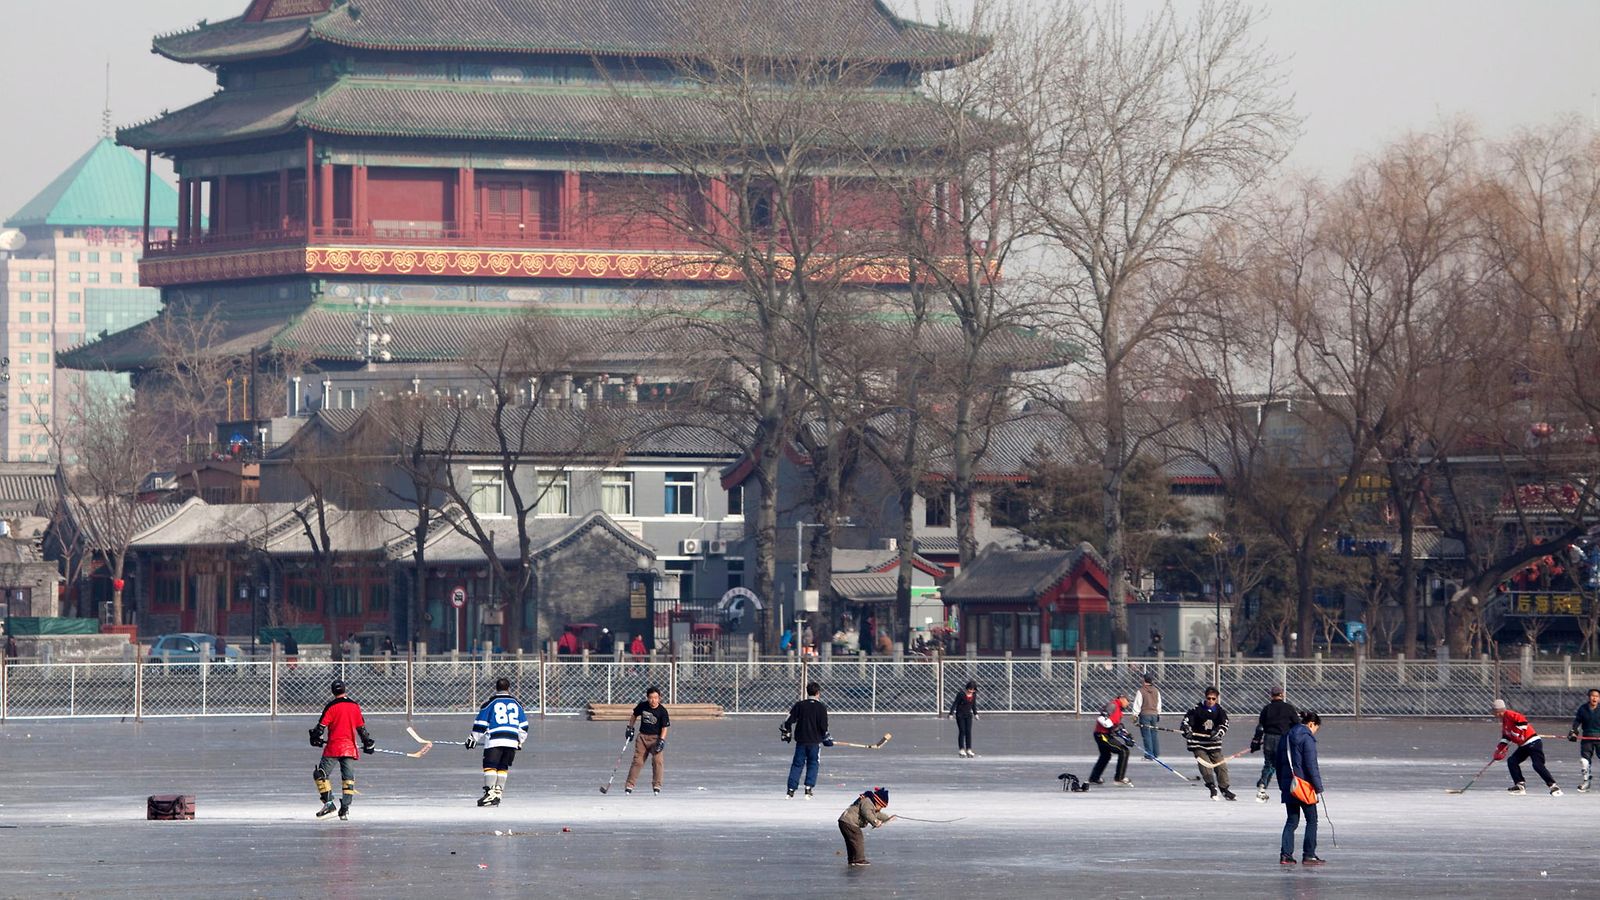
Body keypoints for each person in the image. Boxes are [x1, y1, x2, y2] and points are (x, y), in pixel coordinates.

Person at [308, 679, 374, 821]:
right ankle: (345, 808)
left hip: (334, 747)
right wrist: (368, 743)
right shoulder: (354, 706)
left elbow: (320, 728)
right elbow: (361, 729)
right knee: (348, 779)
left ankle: (329, 803)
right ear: (345, 689)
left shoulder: (331, 707)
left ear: (332, 691)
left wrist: (315, 738)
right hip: (350, 748)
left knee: (321, 774)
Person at [467, 677, 529, 807]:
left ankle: (490, 793)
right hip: (511, 740)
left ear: (496, 688)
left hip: (494, 740)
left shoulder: (489, 704)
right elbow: (524, 725)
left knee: (490, 765)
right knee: (502, 766)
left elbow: (481, 723)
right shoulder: (517, 704)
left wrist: (472, 739)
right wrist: (519, 740)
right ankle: (498, 792)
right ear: (508, 688)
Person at [1275, 710, 1325, 866]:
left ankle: (1285, 855)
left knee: (1291, 821)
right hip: (1303, 785)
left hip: (1289, 785)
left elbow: (1278, 763)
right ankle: (1309, 854)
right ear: (1311, 724)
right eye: (1316, 728)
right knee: (1312, 820)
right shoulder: (1307, 738)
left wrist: (1283, 785)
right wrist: (1318, 787)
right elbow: (1311, 765)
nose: (1315, 731)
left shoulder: (1286, 737)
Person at [1494, 698, 1561, 795]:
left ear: (1499, 711)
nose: (1494, 714)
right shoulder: (1504, 721)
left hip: (1533, 742)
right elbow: (1506, 736)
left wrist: (1518, 733)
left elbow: (1523, 722)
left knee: (1537, 765)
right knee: (1512, 761)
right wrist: (1500, 748)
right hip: (1524, 745)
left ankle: (1554, 786)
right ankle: (1520, 785)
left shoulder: (1509, 714)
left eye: (1494, 711)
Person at [1183, 686, 1236, 800]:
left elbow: (1224, 725)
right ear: (1205, 697)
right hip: (1198, 743)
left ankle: (1224, 788)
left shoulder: (1220, 711)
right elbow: (1186, 722)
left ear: (1216, 699)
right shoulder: (1197, 709)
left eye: (1213, 698)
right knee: (1205, 765)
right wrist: (1187, 730)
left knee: (1221, 766)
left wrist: (1218, 733)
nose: (1211, 701)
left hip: (1213, 744)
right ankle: (1212, 786)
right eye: (1209, 698)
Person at [781, 681, 832, 798]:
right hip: (814, 742)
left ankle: (791, 789)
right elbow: (824, 727)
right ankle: (808, 788)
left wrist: (787, 732)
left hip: (801, 741)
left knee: (797, 764)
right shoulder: (821, 707)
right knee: (813, 764)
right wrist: (827, 738)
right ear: (818, 693)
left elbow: (788, 721)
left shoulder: (800, 705)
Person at [1251, 684, 1299, 802]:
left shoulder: (1267, 709)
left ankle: (1262, 785)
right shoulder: (1289, 708)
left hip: (1268, 739)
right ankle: (1288, 789)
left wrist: (1256, 741)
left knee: (1269, 764)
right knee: (1284, 765)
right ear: (1282, 695)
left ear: (1271, 696)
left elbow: (1260, 727)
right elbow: (1296, 724)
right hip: (1282, 739)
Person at [623, 686, 672, 794]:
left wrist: (662, 740)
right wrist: (630, 728)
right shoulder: (643, 706)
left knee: (657, 761)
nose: (653, 700)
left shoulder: (662, 711)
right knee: (638, 761)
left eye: (655, 698)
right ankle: (629, 785)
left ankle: (657, 785)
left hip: (656, 739)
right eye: (650, 698)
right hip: (642, 738)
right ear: (647, 698)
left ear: (659, 698)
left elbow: (665, 728)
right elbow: (634, 715)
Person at [838, 787, 894, 867]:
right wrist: (875, 822)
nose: (881, 808)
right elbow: (867, 814)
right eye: (881, 806)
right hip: (850, 822)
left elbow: (876, 814)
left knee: (851, 842)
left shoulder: (870, 803)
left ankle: (852, 859)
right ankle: (859, 859)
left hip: (844, 821)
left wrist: (887, 818)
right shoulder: (867, 802)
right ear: (878, 802)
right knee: (858, 839)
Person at [1089, 692, 1133, 786]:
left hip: (1105, 734)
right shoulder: (1112, 705)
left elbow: (1117, 726)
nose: (1128, 704)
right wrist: (1111, 726)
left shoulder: (1120, 711)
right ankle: (1119, 778)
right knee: (1123, 751)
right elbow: (1102, 718)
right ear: (1122, 698)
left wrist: (1126, 736)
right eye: (1128, 701)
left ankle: (1094, 777)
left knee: (1105, 756)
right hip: (1102, 735)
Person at [1568, 688, 1600, 792]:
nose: (1594, 698)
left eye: (1597, 696)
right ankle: (1586, 782)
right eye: (1592, 696)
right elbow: (1577, 722)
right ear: (1589, 697)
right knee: (1585, 761)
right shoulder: (1583, 708)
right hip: (1587, 737)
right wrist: (1574, 732)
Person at [1130, 674, 1161, 760]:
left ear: (1144, 680)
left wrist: (1134, 716)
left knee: (1146, 735)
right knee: (1154, 734)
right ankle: (1155, 753)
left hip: (1145, 714)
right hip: (1154, 714)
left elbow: (1137, 704)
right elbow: (1159, 704)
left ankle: (1149, 754)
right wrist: (1158, 713)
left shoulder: (1141, 691)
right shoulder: (1156, 691)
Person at [950, 680, 979, 758]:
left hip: (968, 715)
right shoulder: (961, 694)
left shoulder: (974, 695)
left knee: (968, 732)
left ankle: (969, 749)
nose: (971, 691)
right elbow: (955, 703)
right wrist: (951, 713)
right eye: (970, 689)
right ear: (967, 688)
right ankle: (961, 749)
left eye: (973, 689)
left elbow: (973, 705)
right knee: (962, 731)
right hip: (960, 715)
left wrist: (975, 713)